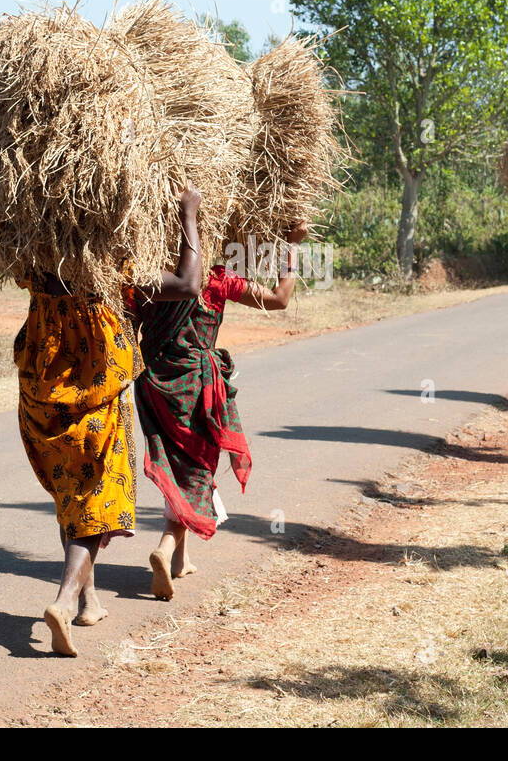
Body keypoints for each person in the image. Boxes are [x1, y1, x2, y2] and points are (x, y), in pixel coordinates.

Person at [17, 185, 203, 656]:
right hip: (96, 403)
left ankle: (89, 599)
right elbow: (187, 284)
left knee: (70, 494)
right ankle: (63, 600)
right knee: (97, 502)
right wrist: (189, 215)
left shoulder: (38, 264)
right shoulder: (110, 269)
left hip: (40, 401)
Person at [135, 221, 310, 600]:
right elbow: (280, 299)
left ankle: (180, 559)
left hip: (155, 385)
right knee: (195, 470)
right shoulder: (216, 280)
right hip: (197, 388)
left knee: (176, 463)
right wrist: (291, 248)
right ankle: (165, 549)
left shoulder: (144, 281)